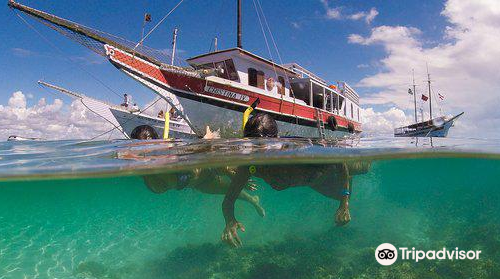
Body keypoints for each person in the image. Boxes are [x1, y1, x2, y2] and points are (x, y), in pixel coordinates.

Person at [220, 113, 370, 247]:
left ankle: (356, 172)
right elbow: (228, 200)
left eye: (261, 145)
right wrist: (230, 220)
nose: (256, 151)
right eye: (251, 144)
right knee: (342, 196)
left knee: (362, 169)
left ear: (276, 140)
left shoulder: (297, 150)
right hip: (312, 181)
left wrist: (345, 203)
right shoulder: (250, 164)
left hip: (325, 173)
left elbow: (339, 160)